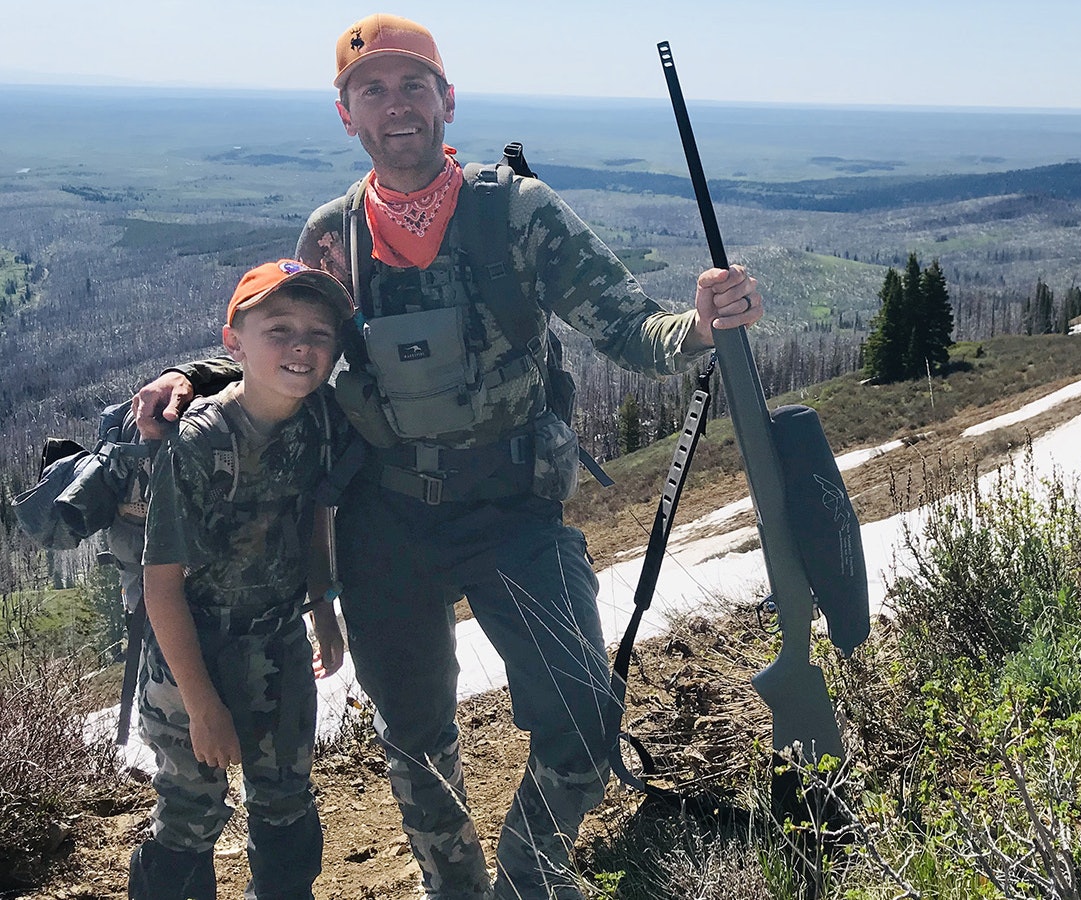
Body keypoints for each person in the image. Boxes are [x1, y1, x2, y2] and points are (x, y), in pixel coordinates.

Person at [134, 14, 764, 900]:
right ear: (346, 113)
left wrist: (699, 322)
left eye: (414, 85)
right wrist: (192, 375)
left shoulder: (515, 211)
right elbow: (294, 345)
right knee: (415, 741)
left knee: (583, 717)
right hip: (385, 518)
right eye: (373, 90)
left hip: (510, 507)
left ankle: (526, 875)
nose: (397, 106)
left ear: (448, 100)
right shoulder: (333, 235)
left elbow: (628, 325)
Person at [130, 260, 354, 900]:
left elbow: (308, 515)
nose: (301, 346)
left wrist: (322, 609)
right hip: (192, 654)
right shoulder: (198, 444)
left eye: (318, 332)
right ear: (234, 342)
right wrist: (202, 706)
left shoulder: (313, 421)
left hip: (277, 642)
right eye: (277, 328)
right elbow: (161, 585)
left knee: (286, 802)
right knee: (190, 816)